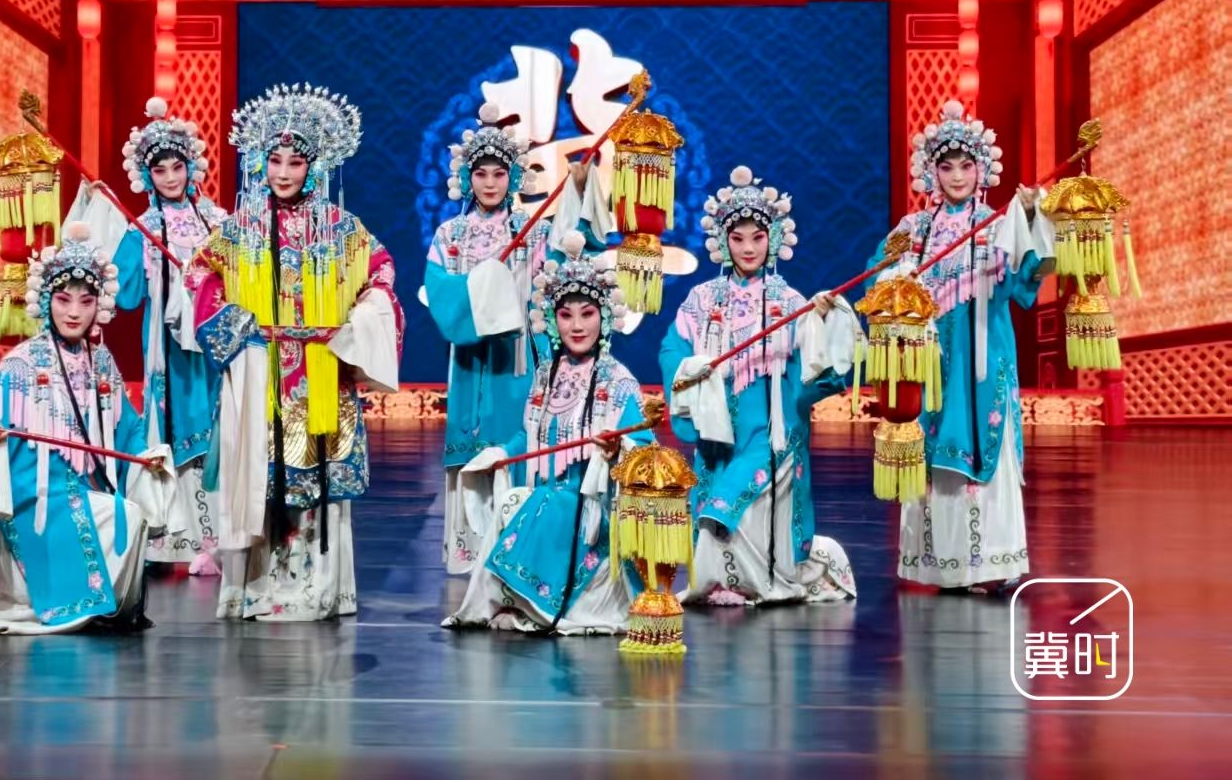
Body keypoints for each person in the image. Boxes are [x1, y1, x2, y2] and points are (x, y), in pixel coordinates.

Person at [186, 83, 403, 621]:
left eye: (296, 162)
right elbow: (200, 274)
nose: (283, 173)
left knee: (317, 484)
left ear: (315, 166)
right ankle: (254, 588)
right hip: (259, 368)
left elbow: (381, 275)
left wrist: (359, 319)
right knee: (258, 482)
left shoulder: (342, 229)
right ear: (260, 162)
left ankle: (316, 590)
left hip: (319, 370)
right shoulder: (239, 229)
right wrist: (238, 326)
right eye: (275, 160)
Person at [0, 224, 175, 635]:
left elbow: (127, 430)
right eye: (63, 299)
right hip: (34, 495)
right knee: (113, 513)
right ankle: (70, 602)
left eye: (86, 301)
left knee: (128, 511)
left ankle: (99, 606)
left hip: (85, 487)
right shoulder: (21, 363)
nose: (74, 312)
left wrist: (147, 455)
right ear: (46, 300)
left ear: (98, 306)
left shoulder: (102, 362)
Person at [659, 166, 859, 606]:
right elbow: (672, 348)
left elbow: (815, 372)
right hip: (719, 432)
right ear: (723, 241)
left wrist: (823, 323)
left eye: (758, 237)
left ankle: (754, 582)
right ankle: (724, 581)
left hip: (771, 432)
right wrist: (693, 367)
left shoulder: (791, 303)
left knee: (728, 504)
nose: (748, 248)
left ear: (774, 238)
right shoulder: (701, 300)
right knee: (716, 500)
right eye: (738, 238)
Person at [424, 102, 609, 573]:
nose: (490, 183)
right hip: (471, 359)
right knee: (472, 441)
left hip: (518, 356)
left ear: (514, 177)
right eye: (481, 173)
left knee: (519, 440)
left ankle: (517, 548)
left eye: (499, 173)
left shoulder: (532, 231)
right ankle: (469, 552)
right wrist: (482, 291)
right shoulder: (450, 235)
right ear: (467, 178)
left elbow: (572, 250)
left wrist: (579, 189)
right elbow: (440, 291)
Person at [880, 101, 1053, 595]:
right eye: (946, 166)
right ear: (932, 172)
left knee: (987, 447)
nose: (957, 176)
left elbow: (1024, 282)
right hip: (928, 361)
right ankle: (940, 567)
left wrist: (1031, 217)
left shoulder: (999, 224)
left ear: (981, 170)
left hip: (984, 357)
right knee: (931, 449)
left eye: (965, 165)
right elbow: (879, 280)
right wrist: (896, 273)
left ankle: (992, 564)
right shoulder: (913, 231)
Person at [445, 231, 655, 635]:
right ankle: (507, 602)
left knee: (545, 502)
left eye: (587, 314)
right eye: (566, 315)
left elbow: (645, 449)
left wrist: (617, 449)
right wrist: (501, 454)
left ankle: (534, 606)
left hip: (593, 510)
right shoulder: (545, 375)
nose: (576, 326)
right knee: (519, 501)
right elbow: (530, 436)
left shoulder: (619, 380)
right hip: (548, 497)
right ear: (553, 320)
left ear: (604, 317)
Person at [110, 97, 229, 574]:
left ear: (191, 166)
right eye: (159, 170)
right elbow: (125, 295)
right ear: (147, 175)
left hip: (215, 345)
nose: (171, 178)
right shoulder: (144, 228)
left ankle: (223, 538)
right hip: (168, 347)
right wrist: (131, 240)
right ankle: (178, 538)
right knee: (177, 428)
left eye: (177, 167)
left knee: (221, 427)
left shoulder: (218, 221)